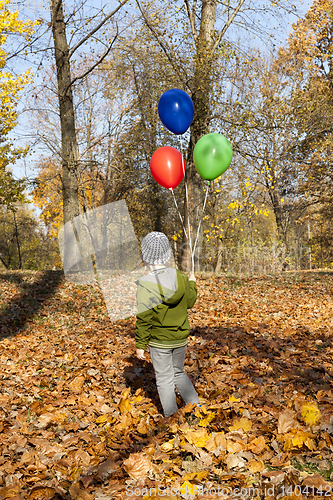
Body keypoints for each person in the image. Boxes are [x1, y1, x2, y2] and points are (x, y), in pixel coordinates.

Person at [135, 231, 200, 417]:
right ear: (167, 255)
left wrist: (140, 344)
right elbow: (189, 302)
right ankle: (195, 407)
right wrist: (192, 285)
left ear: (145, 257)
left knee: (164, 378)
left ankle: (172, 416)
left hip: (160, 342)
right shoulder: (180, 277)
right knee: (178, 372)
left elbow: (144, 318)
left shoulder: (146, 285)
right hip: (180, 339)